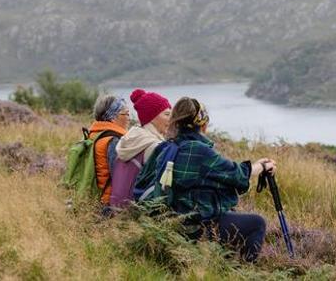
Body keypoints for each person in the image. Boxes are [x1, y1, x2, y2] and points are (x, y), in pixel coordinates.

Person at [168, 96, 276, 263]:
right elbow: (237, 175)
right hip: (195, 228)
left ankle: (220, 264)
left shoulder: (166, 146)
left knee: (230, 213)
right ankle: (243, 272)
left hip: (171, 222)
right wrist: (261, 167)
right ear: (202, 125)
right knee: (257, 223)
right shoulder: (200, 151)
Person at [110, 88, 171, 207]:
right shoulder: (153, 146)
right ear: (152, 117)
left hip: (117, 208)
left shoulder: (131, 138)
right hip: (137, 212)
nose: (171, 119)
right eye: (167, 114)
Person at [88, 94, 130, 206]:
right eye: (126, 113)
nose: (129, 118)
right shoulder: (113, 140)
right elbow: (120, 179)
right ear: (113, 117)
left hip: (94, 199)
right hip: (108, 204)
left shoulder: (93, 135)